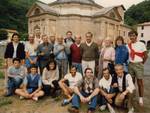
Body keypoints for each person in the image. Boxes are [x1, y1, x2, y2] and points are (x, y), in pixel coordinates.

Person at [127, 30, 148, 106]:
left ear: (136, 36)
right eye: (130, 36)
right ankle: (132, 97)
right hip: (130, 64)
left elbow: (145, 56)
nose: (132, 37)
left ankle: (141, 98)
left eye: (133, 35)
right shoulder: (128, 45)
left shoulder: (141, 44)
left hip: (138, 64)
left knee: (140, 82)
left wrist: (141, 64)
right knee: (131, 82)